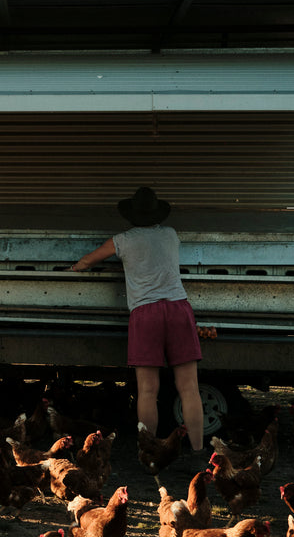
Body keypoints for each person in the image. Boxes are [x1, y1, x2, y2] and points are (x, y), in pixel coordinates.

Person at [70, 186, 204, 451]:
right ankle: (199, 450)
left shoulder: (123, 239)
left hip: (146, 314)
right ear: (157, 214)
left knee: (147, 390)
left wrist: (73, 268)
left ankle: (149, 449)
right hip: (178, 308)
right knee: (189, 388)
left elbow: (88, 261)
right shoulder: (170, 234)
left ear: (131, 215)